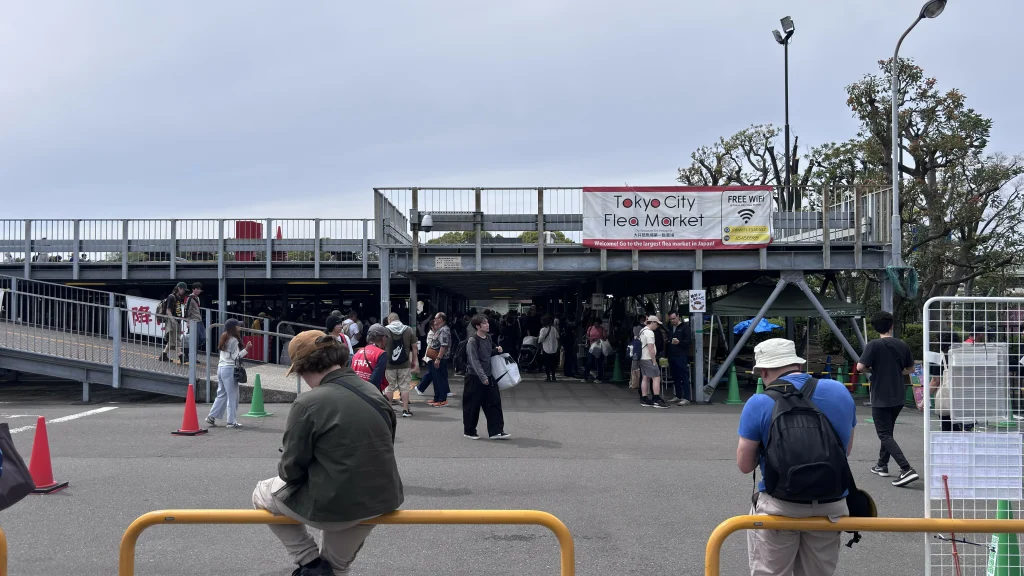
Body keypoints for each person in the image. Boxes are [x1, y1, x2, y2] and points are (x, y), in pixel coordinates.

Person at [252, 330, 403, 576]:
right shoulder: (374, 393)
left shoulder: (308, 403)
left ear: (302, 367)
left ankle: (307, 559)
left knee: (261, 492)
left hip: (335, 504)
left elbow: (291, 471)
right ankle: (318, 568)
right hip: (380, 499)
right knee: (335, 568)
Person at [737, 338, 856, 576]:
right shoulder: (839, 391)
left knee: (771, 572)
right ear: (798, 365)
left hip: (780, 506)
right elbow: (846, 451)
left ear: (764, 370)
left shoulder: (759, 402)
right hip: (830, 504)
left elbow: (745, 465)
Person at [857, 311, 919, 487]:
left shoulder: (874, 345)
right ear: (891, 326)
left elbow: (860, 367)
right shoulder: (902, 345)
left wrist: (874, 370)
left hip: (881, 395)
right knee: (888, 432)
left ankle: (906, 468)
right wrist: (897, 372)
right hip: (898, 395)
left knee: (884, 434)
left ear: (875, 327)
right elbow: (911, 369)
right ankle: (881, 465)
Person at [463, 314, 509, 440]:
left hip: (489, 375)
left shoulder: (488, 338)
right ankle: (469, 431)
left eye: (487, 322)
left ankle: (496, 431)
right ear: (477, 326)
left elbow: (487, 354)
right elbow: (474, 360)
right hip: (474, 377)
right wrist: (482, 377)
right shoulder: (472, 341)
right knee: (473, 405)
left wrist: (496, 350)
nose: (487, 325)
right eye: (484, 323)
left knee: (494, 402)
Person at [206, 318, 252, 429]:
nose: (240, 327)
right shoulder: (234, 340)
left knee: (221, 394)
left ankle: (211, 416)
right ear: (233, 328)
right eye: (238, 326)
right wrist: (246, 349)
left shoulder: (224, 337)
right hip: (229, 369)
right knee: (233, 396)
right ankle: (231, 421)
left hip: (221, 368)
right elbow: (236, 357)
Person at [384, 312, 418, 418]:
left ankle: (389, 411)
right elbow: (414, 347)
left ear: (389, 320)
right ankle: (405, 410)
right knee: (404, 387)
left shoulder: (385, 330)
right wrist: (415, 361)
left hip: (389, 364)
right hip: (404, 363)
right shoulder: (408, 329)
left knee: (389, 387)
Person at [639, 316, 668, 408]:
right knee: (656, 377)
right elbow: (651, 348)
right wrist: (654, 361)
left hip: (642, 358)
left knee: (645, 378)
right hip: (649, 358)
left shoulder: (642, 331)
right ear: (653, 323)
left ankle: (644, 398)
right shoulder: (650, 333)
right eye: (657, 324)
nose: (658, 326)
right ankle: (656, 399)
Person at [351, 324, 389, 393]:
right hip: (368, 393)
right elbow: (375, 379)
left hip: (354, 391)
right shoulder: (381, 353)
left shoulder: (359, 352)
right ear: (383, 338)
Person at [426, 312, 452, 407]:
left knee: (440, 379)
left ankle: (442, 399)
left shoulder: (444, 330)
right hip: (435, 357)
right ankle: (436, 397)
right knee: (436, 379)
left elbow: (444, 346)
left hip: (440, 358)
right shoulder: (439, 329)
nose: (434, 320)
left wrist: (438, 358)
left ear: (441, 319)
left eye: (436, 318)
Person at [666, 312, 692, 405]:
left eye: (673, 318)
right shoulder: (670, 328)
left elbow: (688, 341)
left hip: (681, 355)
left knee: (684, 376)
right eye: (670, 319)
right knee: (675, 376)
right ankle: (678, 395)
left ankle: (686, 398)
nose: (672, 321)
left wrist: (679, 342)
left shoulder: (685, 327)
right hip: (672, 355)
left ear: (678, 316)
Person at [160, 282, 187, 363]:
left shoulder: (178, 297)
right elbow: (168, 310)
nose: (184, 291)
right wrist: (173, 321)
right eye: (183, 289)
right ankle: (181, 356)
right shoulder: (171, 297)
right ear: (179, 288)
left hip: (177, 321)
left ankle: (163, 356)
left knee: (172, 340)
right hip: (173, 321)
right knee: (177, 339)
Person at [183, 282, 206, 352]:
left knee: (203, 337)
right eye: (197, 289)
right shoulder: (190, 298)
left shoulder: (197, 298)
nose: (199, 291)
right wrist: (188, 322)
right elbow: (187, 310)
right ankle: (192, 355)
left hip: (199, 320)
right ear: (193, 289)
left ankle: (190, 351)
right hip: (193, 320)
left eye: (200, 289)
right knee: (195, 339)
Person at [583, 318, 607, 383]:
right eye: (595, 323)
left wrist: (600, 339)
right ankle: (585, 377)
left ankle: (599, 378)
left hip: (599, 347)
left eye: (597, 323)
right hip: (592, 347)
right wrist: (591, 338)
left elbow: (605, 338)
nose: (596, 324)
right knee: (589, 362)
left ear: (600, 324)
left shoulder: (602, 329)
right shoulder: (590, 328)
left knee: (599, 363)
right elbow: (587, 336)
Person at [538, 315, 560, 382]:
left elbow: (541, 339)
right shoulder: (553, 329)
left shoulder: (543, 329)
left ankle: (548, 377)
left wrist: (538, 340)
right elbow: (558, 337)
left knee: (546, 363)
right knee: (553, 363)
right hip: (554, 348)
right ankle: (553, 376)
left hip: (546, 348)